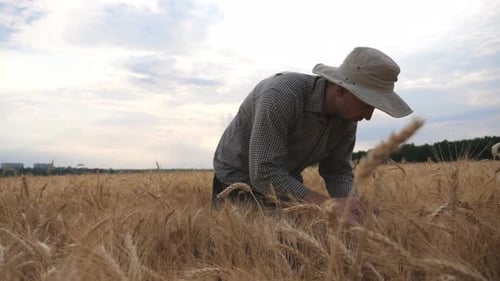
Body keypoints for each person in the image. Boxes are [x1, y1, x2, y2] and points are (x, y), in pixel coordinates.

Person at [212, 47, 413, 210]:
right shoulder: (282, 96)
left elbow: (338, 171)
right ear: (342, 90)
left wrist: (352, 207)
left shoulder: (348, 119)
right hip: (236, 179)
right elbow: (264, 173)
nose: (368, 116)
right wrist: (330, 205)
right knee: (251, 253)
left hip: (285, 179)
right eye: (367, 104)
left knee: (292, 249)